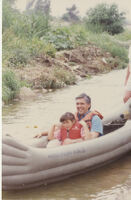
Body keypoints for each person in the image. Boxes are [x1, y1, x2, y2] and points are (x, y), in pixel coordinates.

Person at [35, 93, 103, 139]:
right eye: (77, 104)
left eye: (82, 104)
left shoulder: (95, 119)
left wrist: (74, 141)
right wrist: (42, 133)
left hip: (86, 145)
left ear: (89, 105)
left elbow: (93, 137)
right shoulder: (73, 117)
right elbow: (59, 128)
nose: (79, 106)